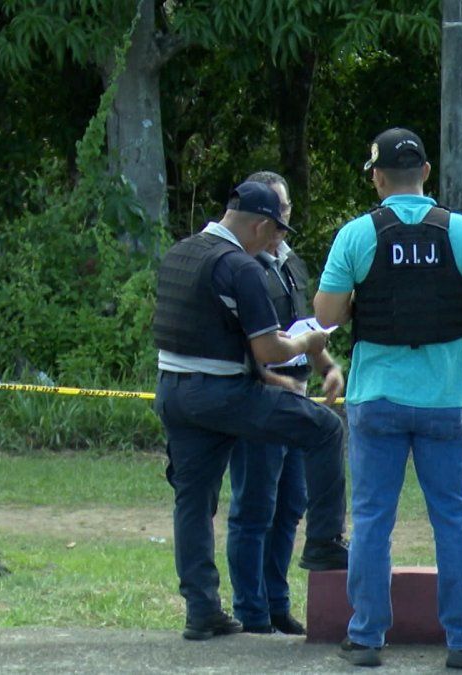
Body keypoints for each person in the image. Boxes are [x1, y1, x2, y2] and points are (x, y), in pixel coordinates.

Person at [314, 127, 462, 669]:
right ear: (427, 173)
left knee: (372, 518)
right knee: (453, 519)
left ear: (377, 178)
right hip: (446, 398)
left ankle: (366, 636)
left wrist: (361, 300)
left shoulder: (357, 235)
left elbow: (326, 317)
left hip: (376, 397)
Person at [152, 180, 349, 641]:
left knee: (193, 500)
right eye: (274, 232)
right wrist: (309, 343)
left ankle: (202, 611)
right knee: (324, 428)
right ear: (259, 224)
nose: (275, 242)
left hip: (173, 392)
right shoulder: (240, 266)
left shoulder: (181, 252)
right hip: (224, 393)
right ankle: (324, 541)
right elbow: (269, 348)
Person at [225, 171, 346, 636]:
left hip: (296, 399)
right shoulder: (240, 265)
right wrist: (274, 379)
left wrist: (327, 366)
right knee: (255, 506)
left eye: (288, 209)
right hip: (260, 398)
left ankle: (278, 605)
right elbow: (240, 345)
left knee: (291, 503)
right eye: (276, 213)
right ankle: (251, 613)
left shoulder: (290, 262)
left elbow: (303, 328)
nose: (283, 221)